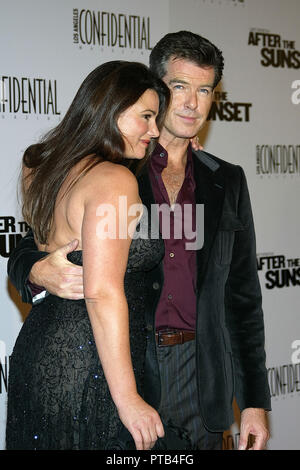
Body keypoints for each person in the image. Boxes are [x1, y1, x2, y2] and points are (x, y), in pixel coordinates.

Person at [8, 31, 271, 450]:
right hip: (125, 361)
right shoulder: (115, 166)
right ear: (155, 91)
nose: (191, 103)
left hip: (200, 374)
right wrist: (37, 270)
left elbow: (242, 296)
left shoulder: (226, 178)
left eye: (205, 90)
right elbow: (33, 240)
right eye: (179, 87)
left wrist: (255, 401)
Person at [6, 60, 171, 450]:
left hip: (40, 351)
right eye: (146, 117)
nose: (154, 130)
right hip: (93, 364)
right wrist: (128, 398)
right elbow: (102, 292)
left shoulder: (41, 166)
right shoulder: (115, 179)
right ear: (111, 110)